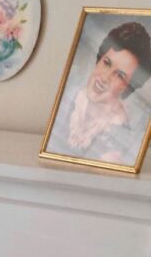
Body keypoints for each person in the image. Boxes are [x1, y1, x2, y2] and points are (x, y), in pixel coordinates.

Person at [48, 21, 151, 165]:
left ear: (127, 87)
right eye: (106, 63)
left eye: (119, 75)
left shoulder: (117, 141)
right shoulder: (68, 96)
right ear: (99, 60)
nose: (104, 77)